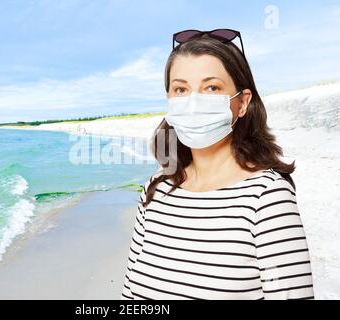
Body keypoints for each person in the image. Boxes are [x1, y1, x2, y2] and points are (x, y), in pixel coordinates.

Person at [121, 29, 314, 300]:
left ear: (243, 103)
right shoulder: (155, 191)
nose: (193, 102)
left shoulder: (267, 197)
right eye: (181, 89)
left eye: (212, 87)